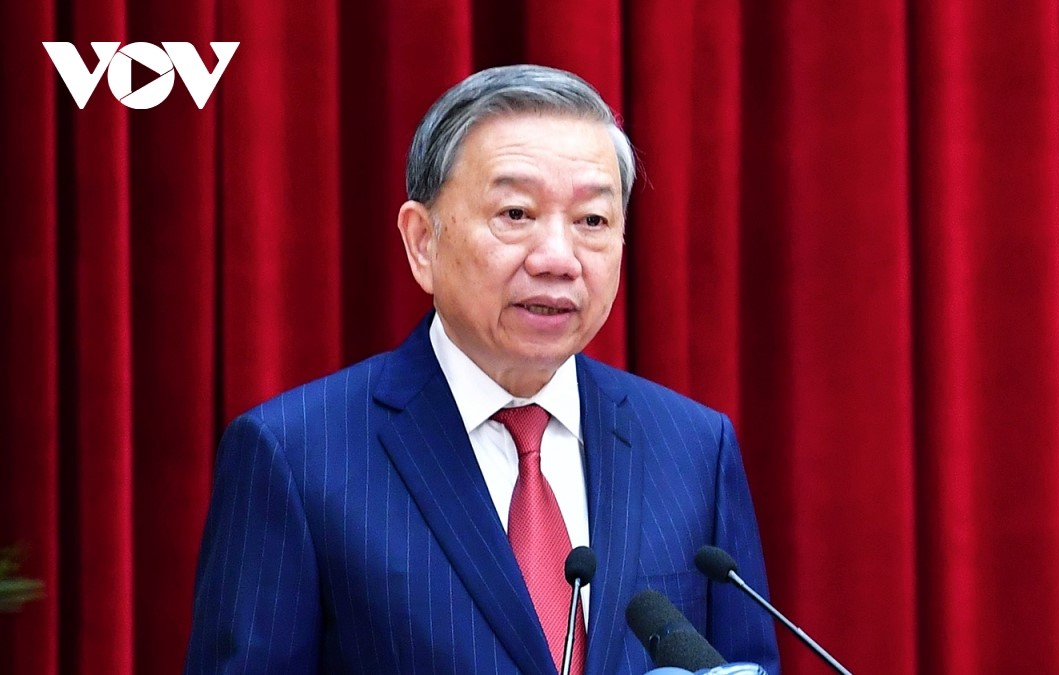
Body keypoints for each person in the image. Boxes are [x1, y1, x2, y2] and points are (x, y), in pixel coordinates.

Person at [184, 64, 780, 675]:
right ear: (423, 241)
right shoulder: (295, 455)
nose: (558, 258)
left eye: (592, 221)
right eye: (515, 214)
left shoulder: (694, 449)